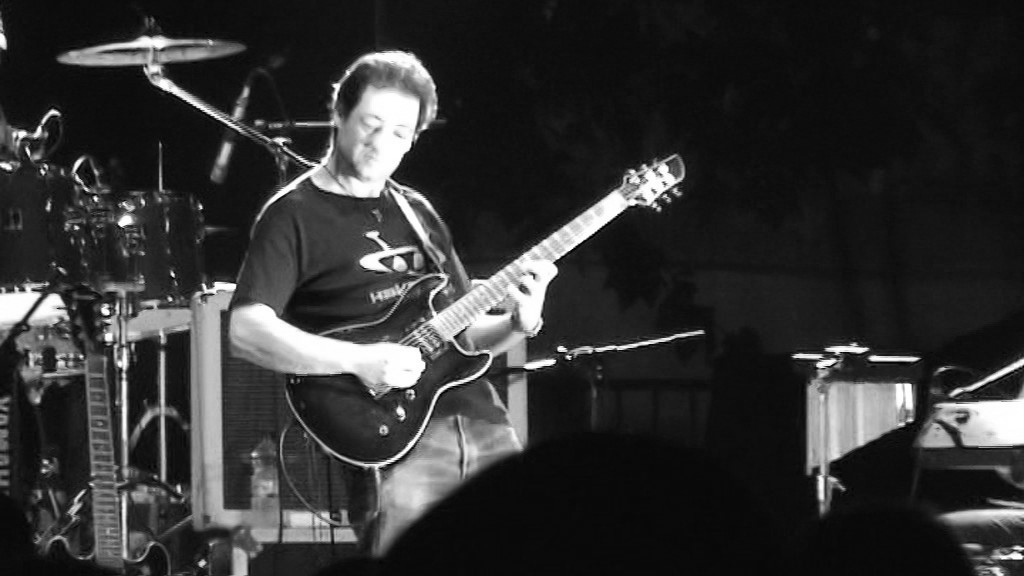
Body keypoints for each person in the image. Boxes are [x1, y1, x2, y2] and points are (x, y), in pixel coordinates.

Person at [228, 50, 557, 555]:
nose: (382, 143)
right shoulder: (291, 214)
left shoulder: (417, 212)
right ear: (339, 114)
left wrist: (519, 322)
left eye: (401, 133)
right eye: (371, 124)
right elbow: (245, 331)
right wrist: (359, 360)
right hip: (392, 433)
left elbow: (464, 336)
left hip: (482, 419)